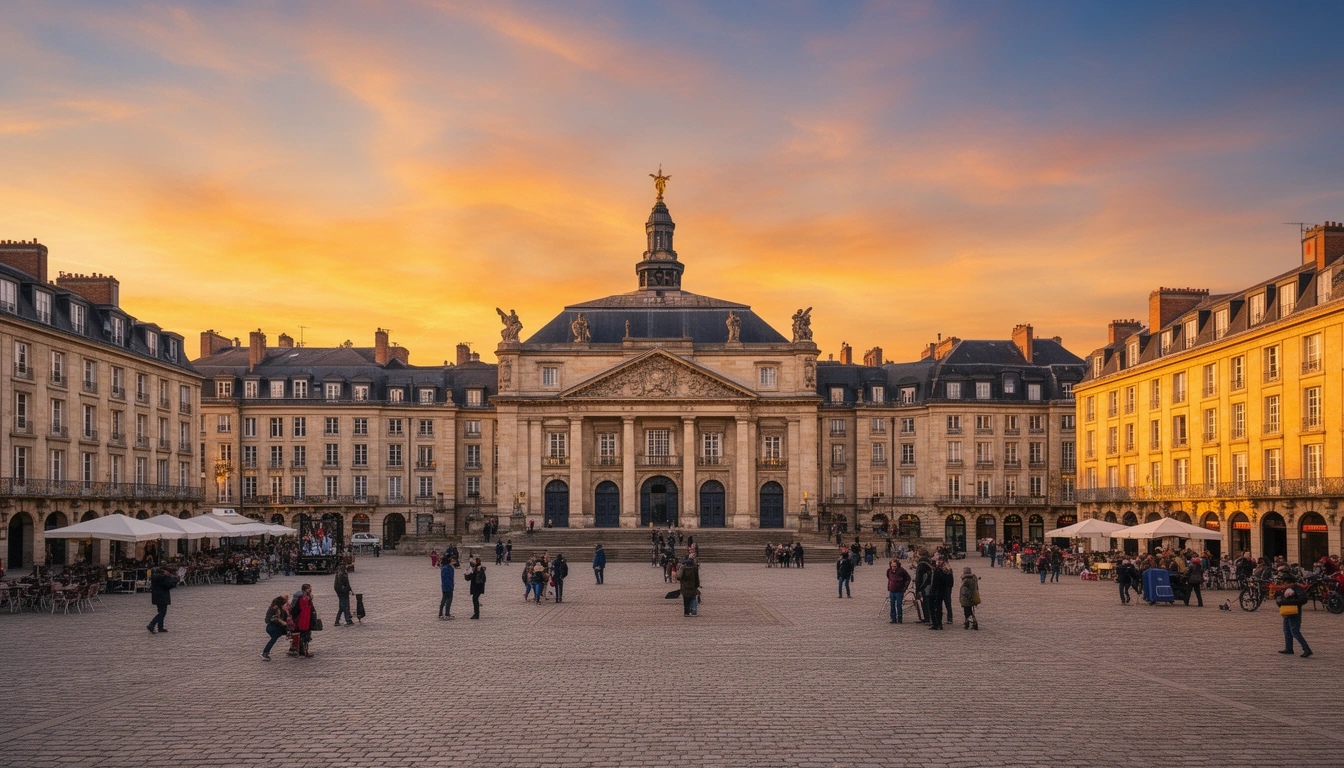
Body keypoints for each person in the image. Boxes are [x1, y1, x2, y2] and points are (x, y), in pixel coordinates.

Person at [1276, 584, 1312, 658]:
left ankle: (1306, 649)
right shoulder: (1284, 588)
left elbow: (1303, 600)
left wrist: (1289, 600)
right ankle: (1289, 648)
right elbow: (1278, 598)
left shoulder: (1297, 589)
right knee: (1287, 631)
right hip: (1286, 611)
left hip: (1294, 612)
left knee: (1295, 632)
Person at [146, 567, 178, 634]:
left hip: (156, 596)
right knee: (162, 612)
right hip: (163, 596)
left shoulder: (155, 577)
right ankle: (152, 624)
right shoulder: (162, 578)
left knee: (161, 611)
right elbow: (169, 584)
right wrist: (175, 578)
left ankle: (160, 627)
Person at [291, 584, 316, 657]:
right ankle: (304, 651)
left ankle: (302, 650)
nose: (310, 590)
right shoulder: (304, 598)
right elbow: (305, 608)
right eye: (309, 588)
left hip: (303, 618)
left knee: (303, 635)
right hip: (304, 618)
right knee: (305, 635)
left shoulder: (303, 597)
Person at [262, 595, 290, 661]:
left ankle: (265, 652)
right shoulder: (275, 608)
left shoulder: (280, 608)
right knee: (274, 637)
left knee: (276, 637)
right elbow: (269, 619)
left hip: (276, 626)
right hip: (273, 626)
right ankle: (265, 652)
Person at [929, 559, 954, 630]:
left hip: (937, 592)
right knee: (939, 607)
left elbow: (935, 583)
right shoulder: (948, 572)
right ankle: (939, 623)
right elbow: (950, 583)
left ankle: (936, 623)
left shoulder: (938, 572)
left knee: (935, 608)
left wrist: (933, 591)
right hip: (942, 591)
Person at [886, 559, 910, 624]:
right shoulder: (889, 571)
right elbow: (889, 577)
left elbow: (908, 578)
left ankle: (899, 618)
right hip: (892, 590)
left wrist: (904, 588)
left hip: (899, 591)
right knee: (892, 605)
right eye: (892, 566)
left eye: (894, 566)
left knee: (899, 605)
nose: (893, 568)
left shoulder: (902, 571)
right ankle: (893, 618)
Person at [913, 554, 933, 623]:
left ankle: (928, 617)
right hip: (928, 588)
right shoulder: (930, 568)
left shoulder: (921, 568)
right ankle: (928, 617)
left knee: (926, 603)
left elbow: (919, 580)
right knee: (926, 603)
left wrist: (918, 590)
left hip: (924, 588)